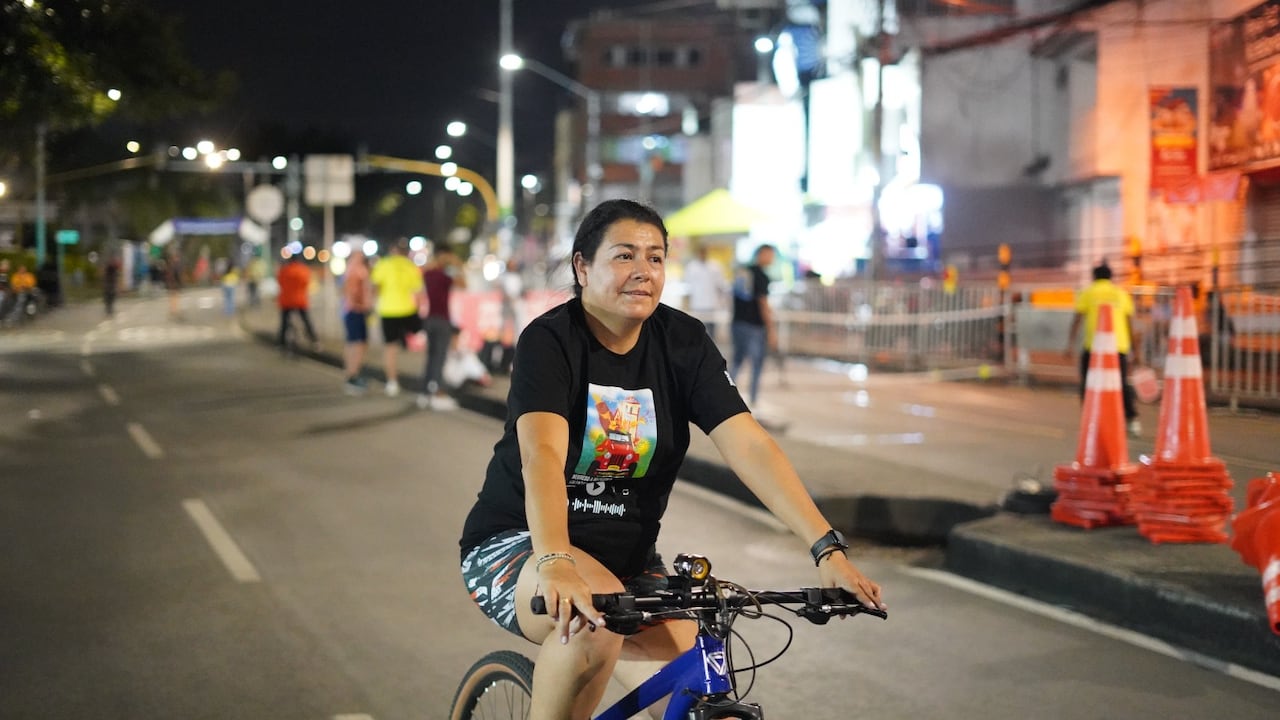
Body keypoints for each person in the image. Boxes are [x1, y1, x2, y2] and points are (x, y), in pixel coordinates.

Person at [457, 200, 885, 720]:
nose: (643, 271)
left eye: (655, 257)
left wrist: (827, 552)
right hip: (521, 547)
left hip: (629, 564)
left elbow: (748, 444)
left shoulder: (683, 342)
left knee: (706, 697)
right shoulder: (551, 342)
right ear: (582, 267)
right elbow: (542, 452)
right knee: (590, 630)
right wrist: (554, 560)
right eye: (624, 256)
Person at [1065, 260, 1140, 437]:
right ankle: (1132, 420)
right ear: (1111, 277)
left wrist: (1070, 344)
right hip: (1118, 347)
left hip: (1094, 348)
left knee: (1088, 384)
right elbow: (1130, 325)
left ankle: (1090, 421)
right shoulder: (1121, 294)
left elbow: (1077, 319)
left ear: (1094, 276)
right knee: (1121, 384)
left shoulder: (1088, 292)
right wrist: (1136, 351)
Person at [370, 237, 424, 397]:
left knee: (390, 348)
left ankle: (392, 382)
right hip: (408, 310)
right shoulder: (411, 266)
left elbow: (375, 288)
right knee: (423, 340)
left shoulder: (383, 264)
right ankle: (426, 378)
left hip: (388, 311)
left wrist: (373, 307)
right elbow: (419, 293)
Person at [418, 244, 466, 410]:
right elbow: (463, 284)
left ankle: (424, 392)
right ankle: (438, 393)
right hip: (441, 320)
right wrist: (457, 265)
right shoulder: (443, 275)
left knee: (431, 357)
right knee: (439, 357)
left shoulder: (429, 273)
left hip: (429, 319)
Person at [729, 243, 777, 408]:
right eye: (770, 255)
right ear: (761, 254)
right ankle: (754, 399)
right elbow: (762, 303)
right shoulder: (761, 276)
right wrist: (771, 329)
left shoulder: (742, 271)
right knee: (757, 363)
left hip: (737, 322)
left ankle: (727, 397)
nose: (772, 259)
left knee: (737, 360)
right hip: (754, 326)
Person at [682, 244, 729, 342]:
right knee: (697, 331)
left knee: (711, 335)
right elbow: (687, 287)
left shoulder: (715, 266)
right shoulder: (691, 267)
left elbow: (721, 285)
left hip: (712, 304)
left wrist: (723, 303)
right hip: (697, 305)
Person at [341, 250, 373, 394]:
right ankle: (352, 376)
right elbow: (352, 291)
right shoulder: (357, 271)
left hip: (351, 310)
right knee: (359, 343)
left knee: (353, 342)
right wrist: (361, 305)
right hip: (356, 311)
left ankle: (351, 375)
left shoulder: (351, 269)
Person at [275, 254, 318, 349]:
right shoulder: (304, 270)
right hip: (300, 300)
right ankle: (314, 340)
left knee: (284, 323)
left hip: (286, 300)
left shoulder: (285, 270)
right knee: (306, 320)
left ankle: (281, 343)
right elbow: (307, 282)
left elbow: (279, 281)